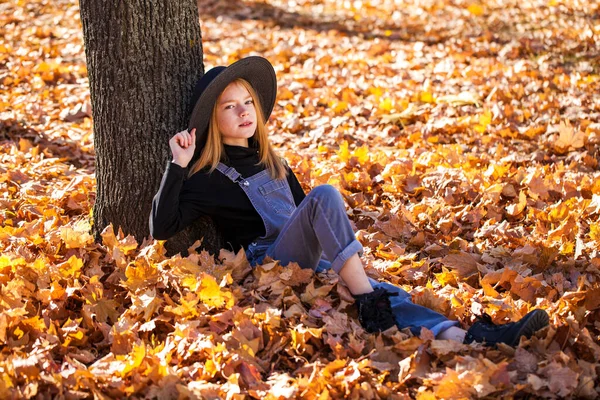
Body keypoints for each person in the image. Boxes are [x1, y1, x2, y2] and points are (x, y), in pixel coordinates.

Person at [150, 56, 549, 346]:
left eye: (248, 102)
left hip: (309, 259)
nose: (243, 112)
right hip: (270, 264)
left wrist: (339, 267)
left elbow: (308, 220)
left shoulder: (274, 163)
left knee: (389, 292)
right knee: (327, 199)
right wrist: (178, 166)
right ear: (213, 119)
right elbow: (160, 228)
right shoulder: (208, 175)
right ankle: (366, 296)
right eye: (229, 106)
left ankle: (468, 337)